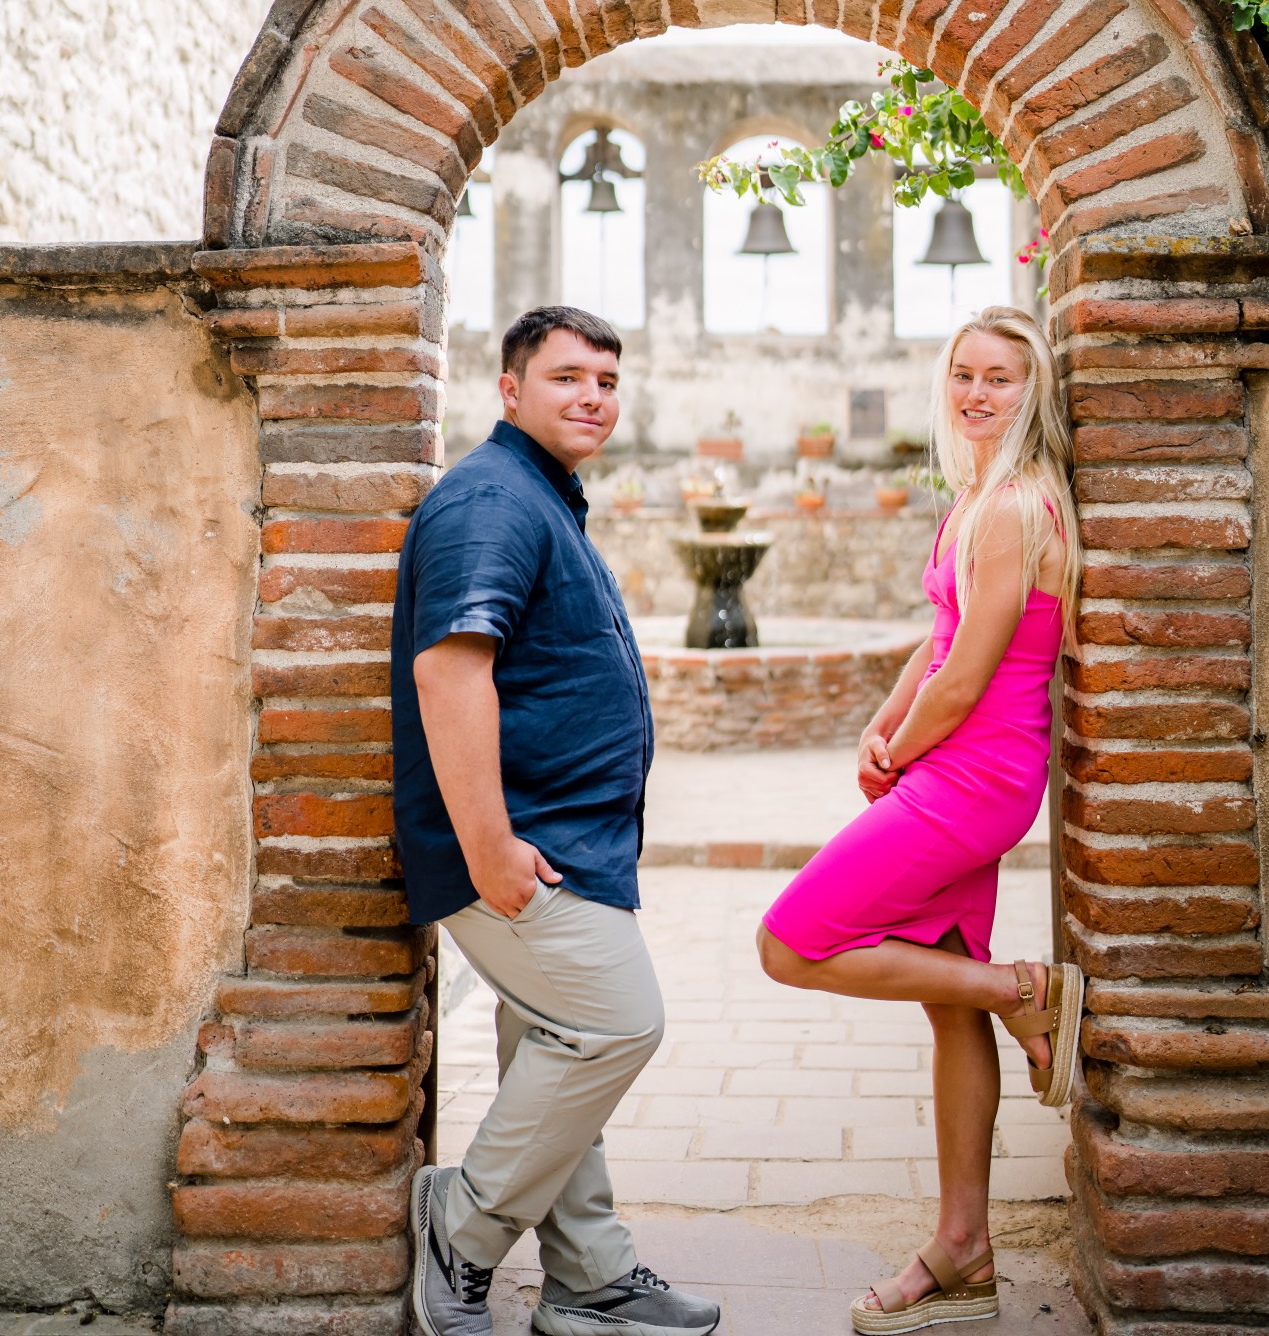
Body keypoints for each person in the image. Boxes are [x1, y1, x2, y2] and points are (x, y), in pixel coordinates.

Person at [756, 306, 1084, 1334]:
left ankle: (1022, 990)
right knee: (945, 1003)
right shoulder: (977, 497)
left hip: (973, 778)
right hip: (952, 765)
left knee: (789, 941)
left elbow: (969, 678)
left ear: (1033, 392)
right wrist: (881, 719)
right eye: (964, 374)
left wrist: (902, 747)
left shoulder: (1014, 508)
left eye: (1000, 378)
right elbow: (937, 640)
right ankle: (963, 1250)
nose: (977, 393)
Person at [395, 306, 720, 1336]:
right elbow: (451, 670)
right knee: (616, 1022)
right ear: (510, 388)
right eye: (567, 376)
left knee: (556, 1040)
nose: (592, 396)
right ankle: (462, 1227)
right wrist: (491, 847)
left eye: (607, 381)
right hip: (515, 847)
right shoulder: (492, 499)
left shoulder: (538, 495)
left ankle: (588, 1276)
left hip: (564, 842)